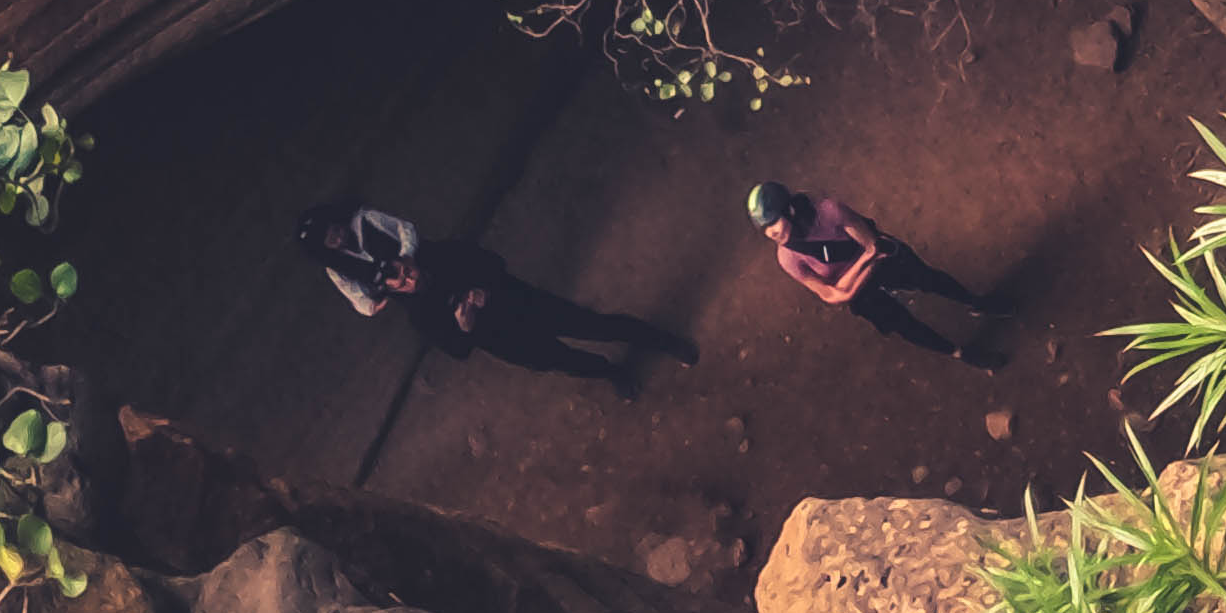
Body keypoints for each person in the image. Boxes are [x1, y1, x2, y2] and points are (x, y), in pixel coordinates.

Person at [289, 201, 688, 397]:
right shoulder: (418, 316)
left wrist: (485, 289)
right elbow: (457, 349)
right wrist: (464, 325)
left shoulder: (440, 254)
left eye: (403, 267)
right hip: (501, 338)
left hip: (518, 302)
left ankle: (663, 341)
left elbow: (492, 262)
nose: (405, 276)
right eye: (396, 280)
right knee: (559, 360)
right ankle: (613, 373)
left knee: (592, 325)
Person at [746, 181, 1003, 364]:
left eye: (774, 222)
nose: (771, 233)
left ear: (790, 210)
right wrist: (866, 261)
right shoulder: (788, 258)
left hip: (874, 268)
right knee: (903, 324)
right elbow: (833, 295)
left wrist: (851, 279)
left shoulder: (830, 211)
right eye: (765, 228)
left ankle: (977, 302)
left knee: (929, 279)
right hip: (870, 272)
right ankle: (959, 353)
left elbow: (869, 244)